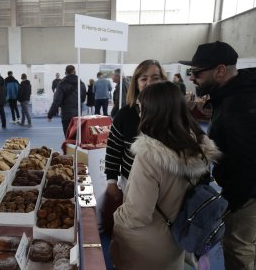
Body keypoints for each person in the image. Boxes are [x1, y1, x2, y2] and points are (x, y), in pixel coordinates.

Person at [110, 81, 220, 270]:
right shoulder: (197, 146)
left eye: (140, 107)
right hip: (176, 241)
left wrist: (117, 215)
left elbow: (137, 214)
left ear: (152, 111)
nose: (138, 112)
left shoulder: (149, 155)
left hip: (143, 250)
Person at [180, 41, 256, 270]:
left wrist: (231, 203)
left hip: (247, 196)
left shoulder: (239, 106)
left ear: (220, 70)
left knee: (238, 250)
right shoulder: (237, 93)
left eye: (196, 72)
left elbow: (247, 164)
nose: (191, 78)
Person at [103, 60, 166, 235]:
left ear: (163, 81)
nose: (149, 83)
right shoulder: (125, 114)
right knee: (134, 229)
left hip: (168, 187)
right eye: (144, 78)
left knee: (161, 230)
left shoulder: (174, 113)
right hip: (132, 182)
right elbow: (114, 149)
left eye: (155, 77)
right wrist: (111, 181)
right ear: (137, 83)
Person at [47, 65, 86, 136]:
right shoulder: (81, 84)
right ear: (75, 72)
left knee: (68, 137)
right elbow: (83, 99)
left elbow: (57, 101)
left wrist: (50, 115)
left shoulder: (61, 84)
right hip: (78, 114)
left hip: (66, 114)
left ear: (65, 73)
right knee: (77, 137)